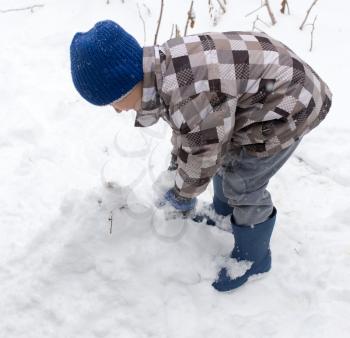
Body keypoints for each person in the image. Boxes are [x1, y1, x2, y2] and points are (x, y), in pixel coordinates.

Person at [69, 20, 332, 291]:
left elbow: (203, 153)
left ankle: (254, 259)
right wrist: (177, 167)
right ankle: (224, 213)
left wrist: (182, 194)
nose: (116, 110)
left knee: (243, 184)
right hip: (265, 90)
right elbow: (192, 130)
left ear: (127, 84)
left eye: (114, 101)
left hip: (291, 106)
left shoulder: (188, 93)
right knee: (222, 153)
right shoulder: (165, 70)